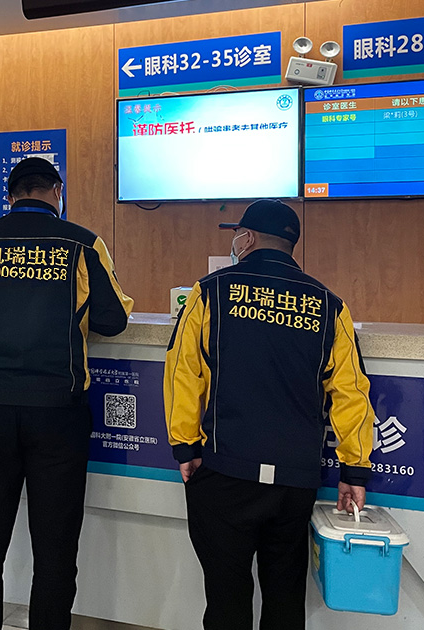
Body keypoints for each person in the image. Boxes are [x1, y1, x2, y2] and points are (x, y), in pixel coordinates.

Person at [164, 199, 376, 630]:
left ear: (248, 238)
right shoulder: (329, 305)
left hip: (226, 470)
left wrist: (184, 445)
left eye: (237, 235)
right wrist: (355, 470)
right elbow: (351, 390)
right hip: (295, 480)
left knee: (226, 596)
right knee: (284, 595)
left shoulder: (211, 292)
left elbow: (183, 372)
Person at [0, 157, 132, 630]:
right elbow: (114, 319)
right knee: (55, 548)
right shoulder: (83, 243)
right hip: (58, 412)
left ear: (10, 195)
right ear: (57, 191)